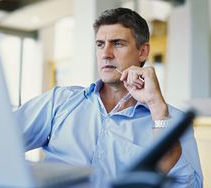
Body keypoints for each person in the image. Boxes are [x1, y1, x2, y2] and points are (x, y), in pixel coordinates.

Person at [15, 7, 203, 187]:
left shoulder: (172, 120)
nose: (105, 54)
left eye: (118, 43)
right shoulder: (60, 101)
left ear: (142, 51)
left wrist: (157, 107)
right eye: (100, 44)